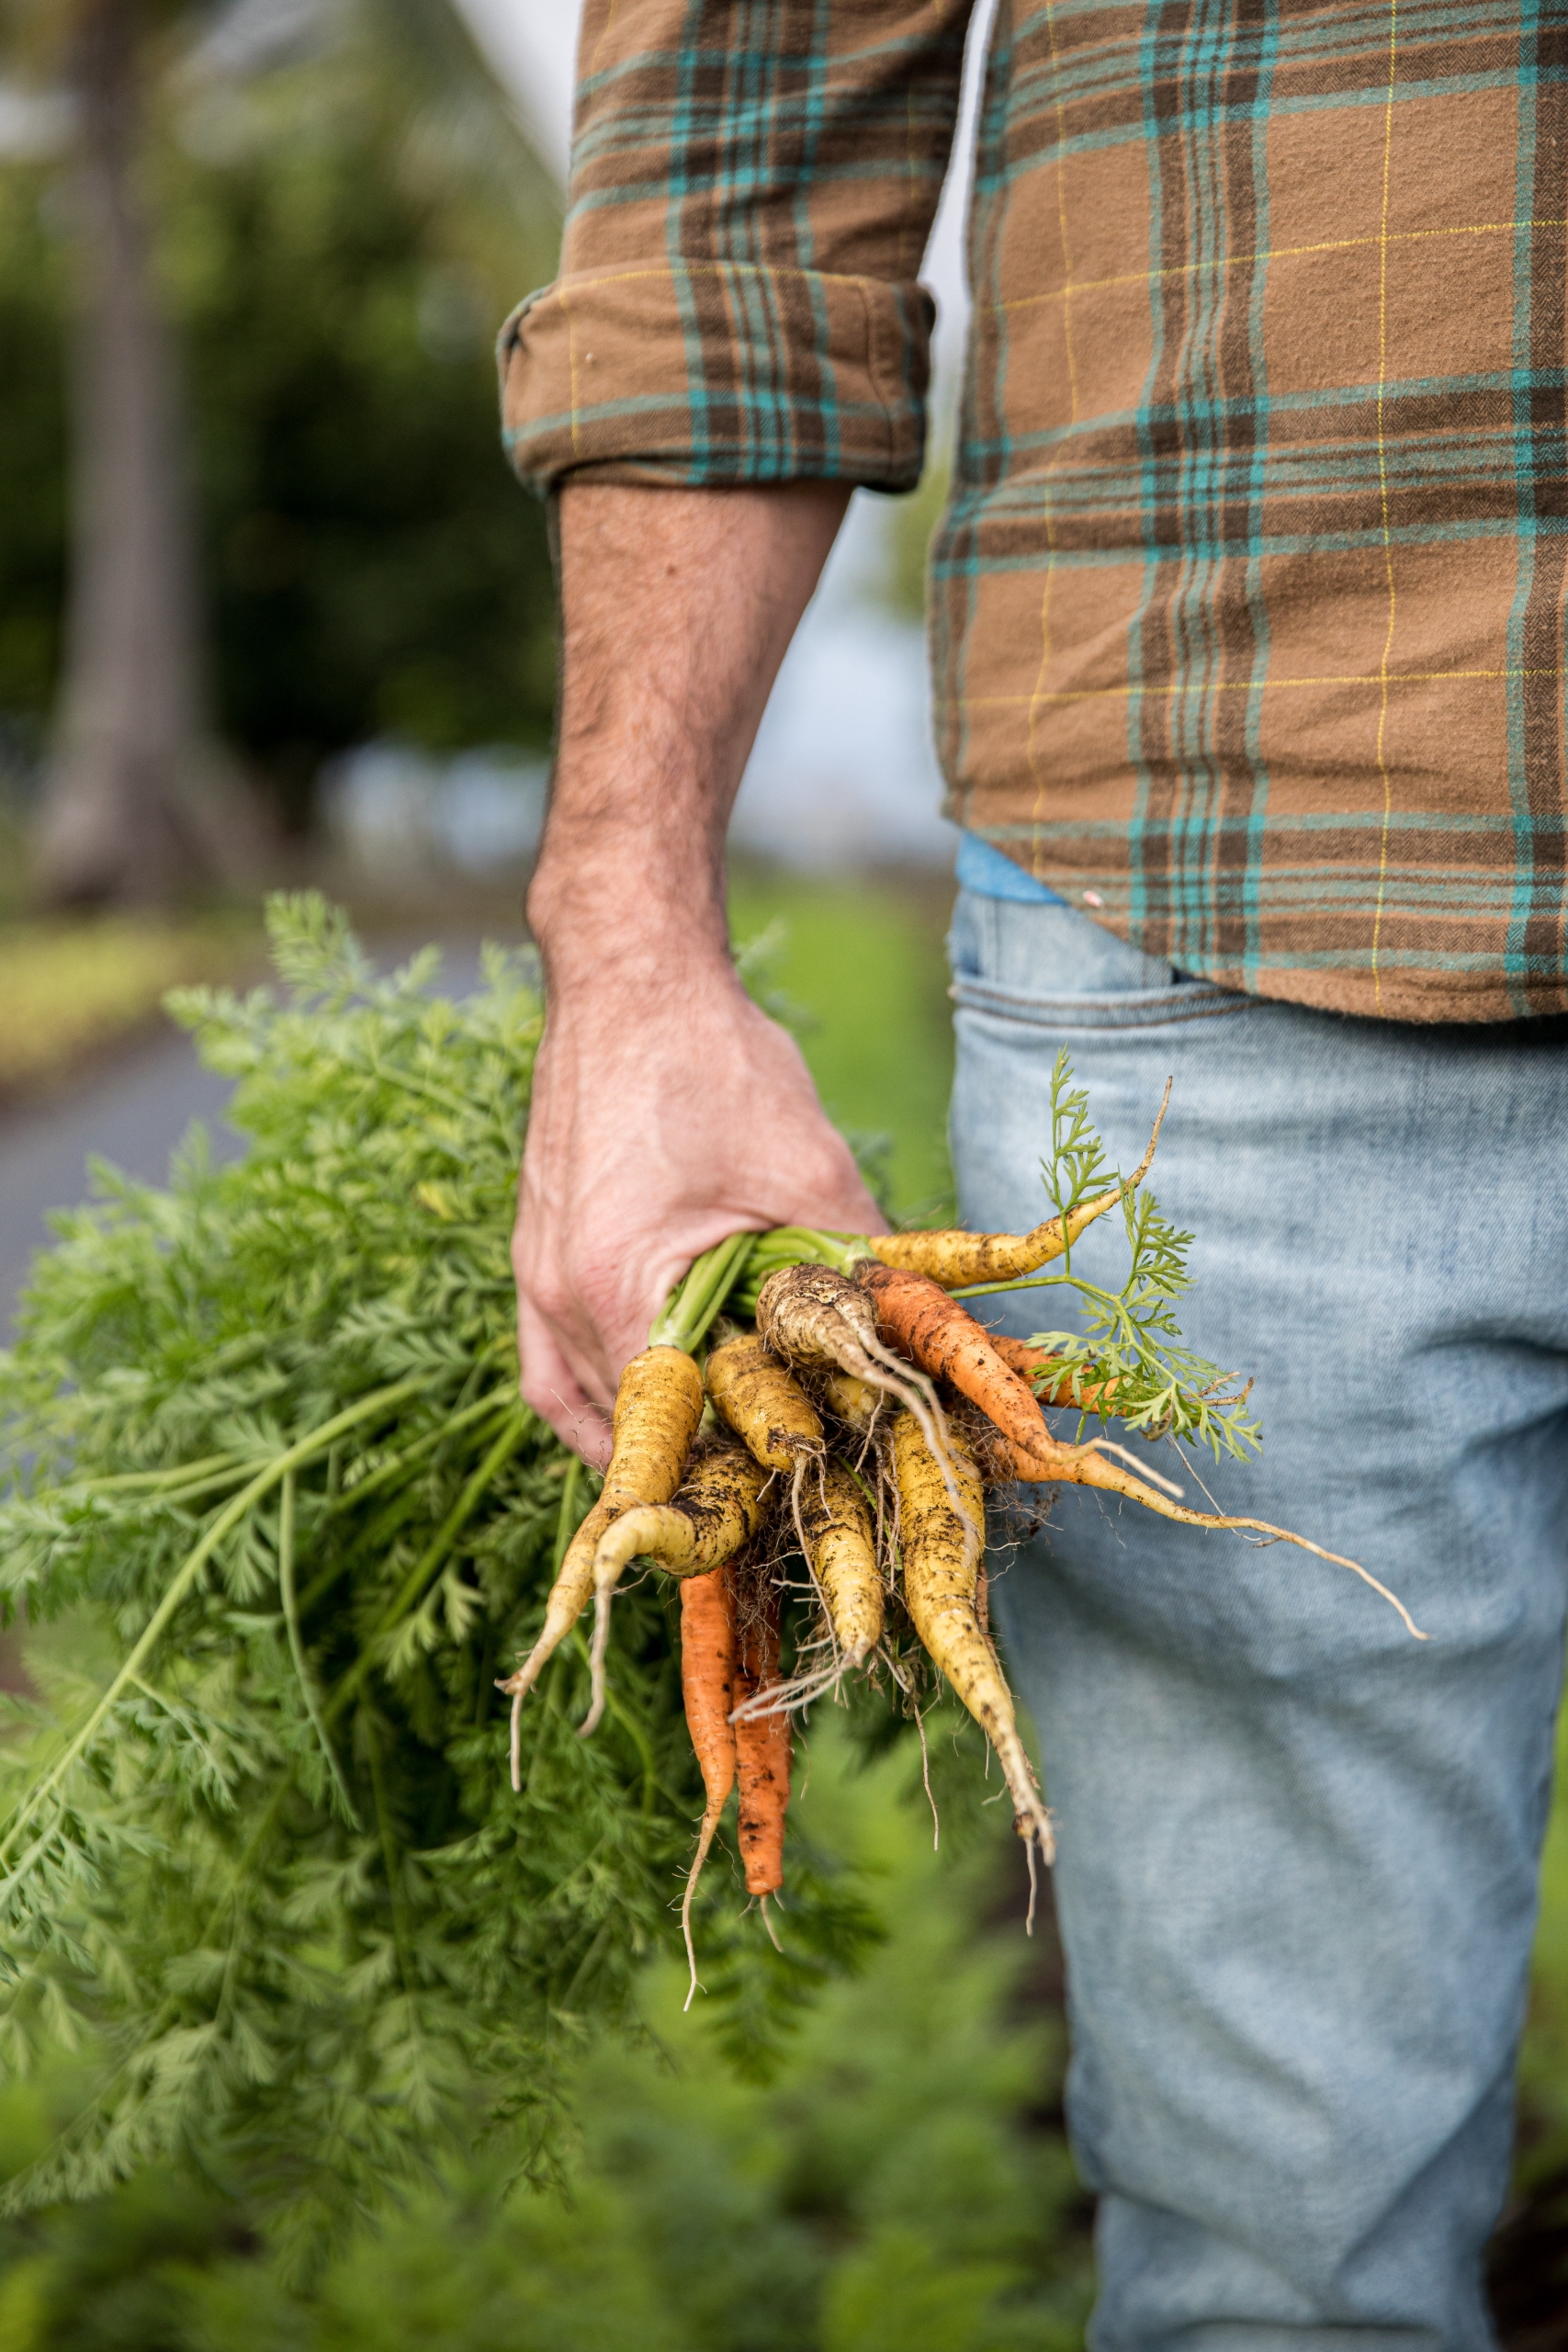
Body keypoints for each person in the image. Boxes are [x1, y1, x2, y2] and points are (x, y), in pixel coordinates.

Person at [500, 5, 1568, 2339]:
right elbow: (746, 100)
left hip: (1204, 869)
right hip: (1234, 875)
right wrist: (626, 937)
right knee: (1281, 2258)